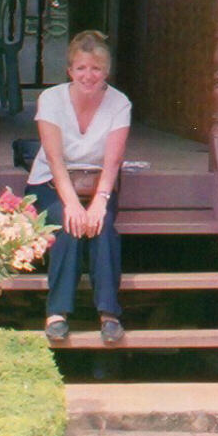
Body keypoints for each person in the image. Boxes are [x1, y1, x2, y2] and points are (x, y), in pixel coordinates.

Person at [26, 30, 132, 344]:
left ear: (106, 72)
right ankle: (57, 312)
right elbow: (55, 159)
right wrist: (72, 203)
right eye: (82, 68)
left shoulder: (119, 103)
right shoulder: (51, 99)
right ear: (70, 71)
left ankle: (109, 314)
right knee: (66, 221)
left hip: (98, 182)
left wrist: (99, 202)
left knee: (103, 225)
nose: (89, 76)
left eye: (96, 69)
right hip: (51, 182)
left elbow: (112, 161)